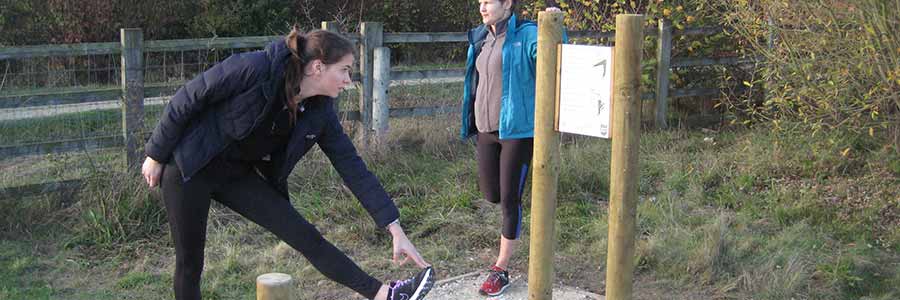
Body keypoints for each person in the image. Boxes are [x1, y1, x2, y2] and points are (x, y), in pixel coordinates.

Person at [141, 27, 434, 300]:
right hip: (191, 165)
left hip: (235, 174)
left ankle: (385, 295)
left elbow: (353, 167)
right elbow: (189, 97)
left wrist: (394, 228)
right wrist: (156, 154)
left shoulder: (320, 112)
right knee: (191, 262)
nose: (349, 80)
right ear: (318, 67)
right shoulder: (257, 68)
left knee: (305, 235)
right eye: (344, 70)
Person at [460, 0, 563, 296]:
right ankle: (506, 248)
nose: (482, 7)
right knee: (491, 194)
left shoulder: (528, 34)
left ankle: (500, 268)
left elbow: (555, 55)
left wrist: (555, 25)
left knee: (509, 199)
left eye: (488, 2)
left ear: (507, 4)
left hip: (517, 131)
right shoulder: (480, 37)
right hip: (485, 130)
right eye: (480, 2)